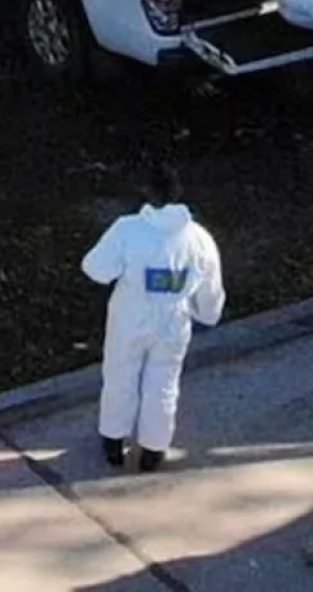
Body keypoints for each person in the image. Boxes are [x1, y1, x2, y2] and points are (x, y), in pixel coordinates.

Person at [81, 163, 226, 473]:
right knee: (164, 382)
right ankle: (153, 449)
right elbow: (211, 290)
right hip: (173, 321)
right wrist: (206, 313)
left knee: (120, 375)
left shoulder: (127, 229)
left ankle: (113, 441)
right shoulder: (199, 239)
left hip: (129, 316)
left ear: (146, 192)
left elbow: (95, 268)